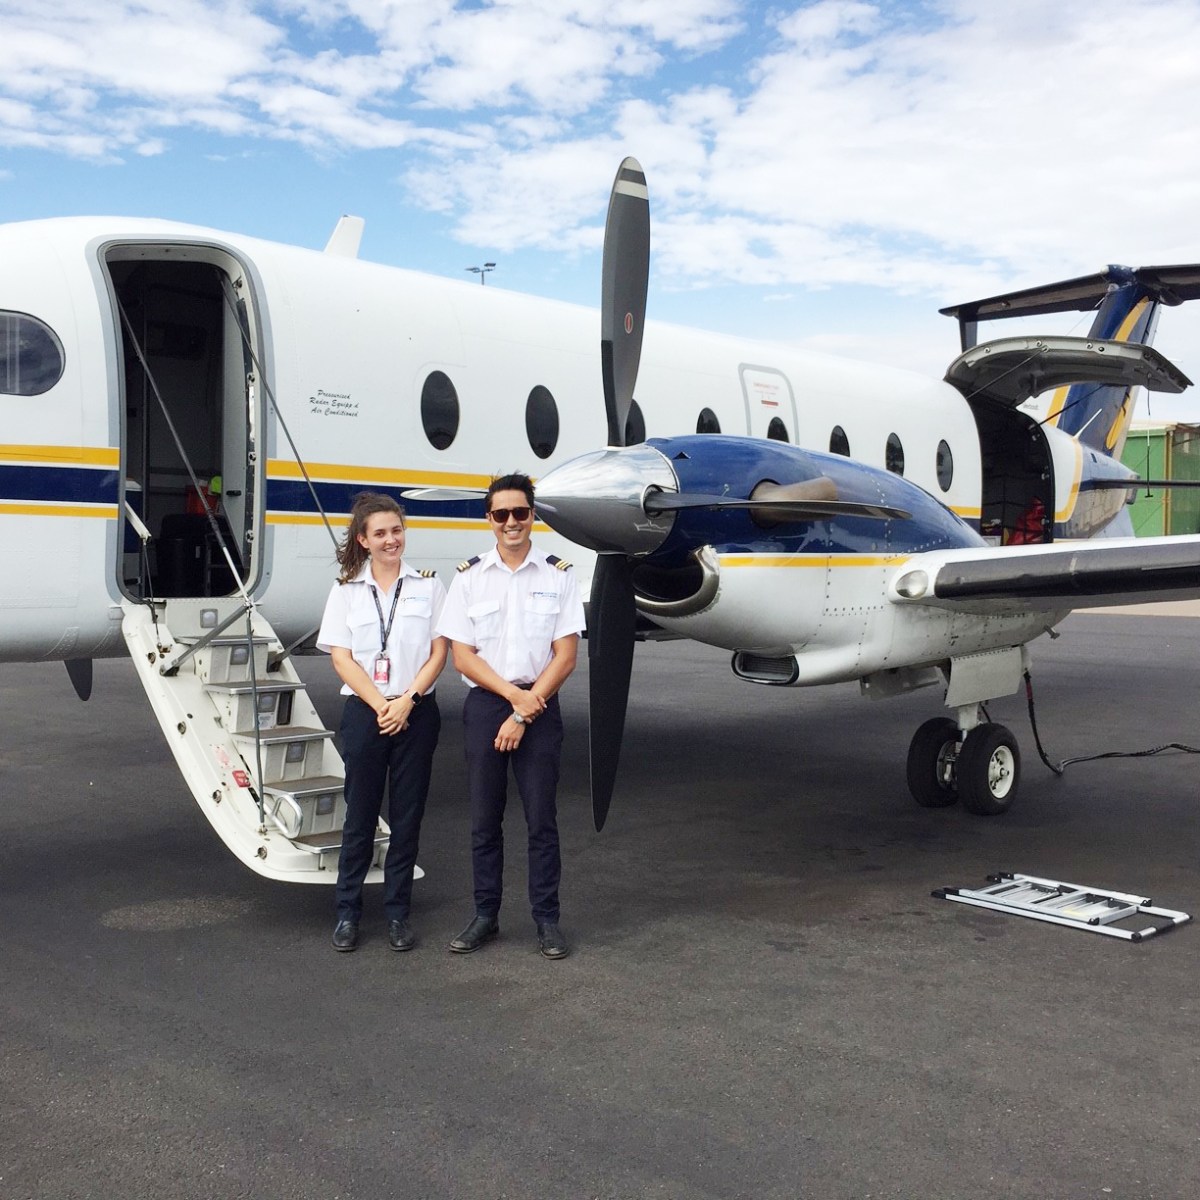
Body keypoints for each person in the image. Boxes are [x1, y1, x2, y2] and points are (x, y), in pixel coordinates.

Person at [437, 473, 585, 959]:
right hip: (488, 702)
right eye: (501, 514)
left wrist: (524, 711)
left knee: (542, 820)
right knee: (484, 820)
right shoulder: (469, 576)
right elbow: (462, 657)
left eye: (520, 513)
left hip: (538, 702)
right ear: (489, 520)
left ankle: (547, 920)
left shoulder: (559, 574)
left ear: (533, 516)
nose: (511, 522)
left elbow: (564, 656)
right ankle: (486, 916)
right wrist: (510, 699)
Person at [316, 492, 448, 953]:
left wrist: (407, 700)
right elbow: (340, 656)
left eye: (397, 530)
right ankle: (348, 913)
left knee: (408, 817)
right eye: (380, 533)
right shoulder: (346, 590)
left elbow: (439, 652)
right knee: (360, 817)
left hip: (415, 712)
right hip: (366, 712)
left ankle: (397, 915)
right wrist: (381, 705)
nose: (391, 540)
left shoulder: (428, 586)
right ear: (363, 540)